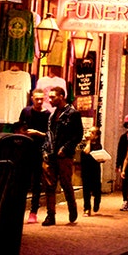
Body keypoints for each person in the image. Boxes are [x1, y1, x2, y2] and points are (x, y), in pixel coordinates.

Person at [42, 87, 82, 226]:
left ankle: (72, 208)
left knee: (66, 183)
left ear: (62, 96)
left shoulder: (72, 114)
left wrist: (65, 148)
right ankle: (50, 215)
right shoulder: (52, 115)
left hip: (64, 155)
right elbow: (49, 134)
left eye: (53, 97)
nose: (50, 100)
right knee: (49, 185)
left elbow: (78, 135)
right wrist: (45, 150)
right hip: (51, 154)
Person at [19, 89, 50, 223]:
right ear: (32, 98)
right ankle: (19, 210)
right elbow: (19, 127)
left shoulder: (47, 114)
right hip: (25, 149)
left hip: (38, 150)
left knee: (37, 181)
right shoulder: (26, 111)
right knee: (22, 180)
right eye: (36, 99)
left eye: (41, 99)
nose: (39, 101)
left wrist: (37, 133)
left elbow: (49, 134)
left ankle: (33, 211)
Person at [80, 128, 103, 216]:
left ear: (96, 136)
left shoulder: (98, 145)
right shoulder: (83, 144)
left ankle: (97, 202)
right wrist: (88, 142)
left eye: (92, 133)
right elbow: (86, 151)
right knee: (86, 190)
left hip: (95, 170)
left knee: (97, 189)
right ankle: (87, 208)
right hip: (85, 170)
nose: (89, 133)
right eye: (89, 131)